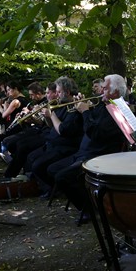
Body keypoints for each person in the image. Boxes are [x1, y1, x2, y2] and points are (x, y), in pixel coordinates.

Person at [47, 74, 127, 214]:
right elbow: (92, 121)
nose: (100, 91)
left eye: (105, 88)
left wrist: (85, 111)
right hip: (82, 152)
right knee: (52, 169)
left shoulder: (116, 111)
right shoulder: (103, 105)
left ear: (115, 92)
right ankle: (87, 197)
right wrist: (84, 105)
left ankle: (90, 209)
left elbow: (95, 133)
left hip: (96, 156)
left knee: (63, 177)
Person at [25, 77, 84, 196]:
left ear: (67, 92)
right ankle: (46, 187)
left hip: (65, 147)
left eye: (58, 92)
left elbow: (62, 130)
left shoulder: (74, 108)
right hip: (53, 142)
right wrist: (47, 117)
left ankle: (54, 189)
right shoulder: (61, 104)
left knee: (38, 166)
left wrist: (51, 114)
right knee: (30, 157)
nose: (56, 94)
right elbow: (53, 126)